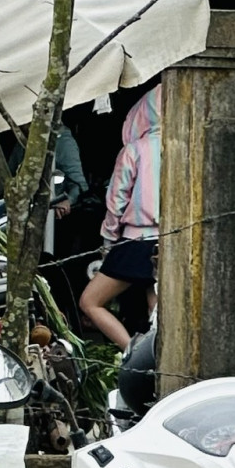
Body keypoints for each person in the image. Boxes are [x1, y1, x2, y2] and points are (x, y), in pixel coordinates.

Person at [81, 88, 160, 352]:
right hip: (175, 239)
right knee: (158, 308)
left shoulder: (135, 150)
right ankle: (164, 361)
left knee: (90, 302)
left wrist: (108, 240)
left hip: (137, 241)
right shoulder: (191, 145)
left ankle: (132, 354)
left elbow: (116, 201)